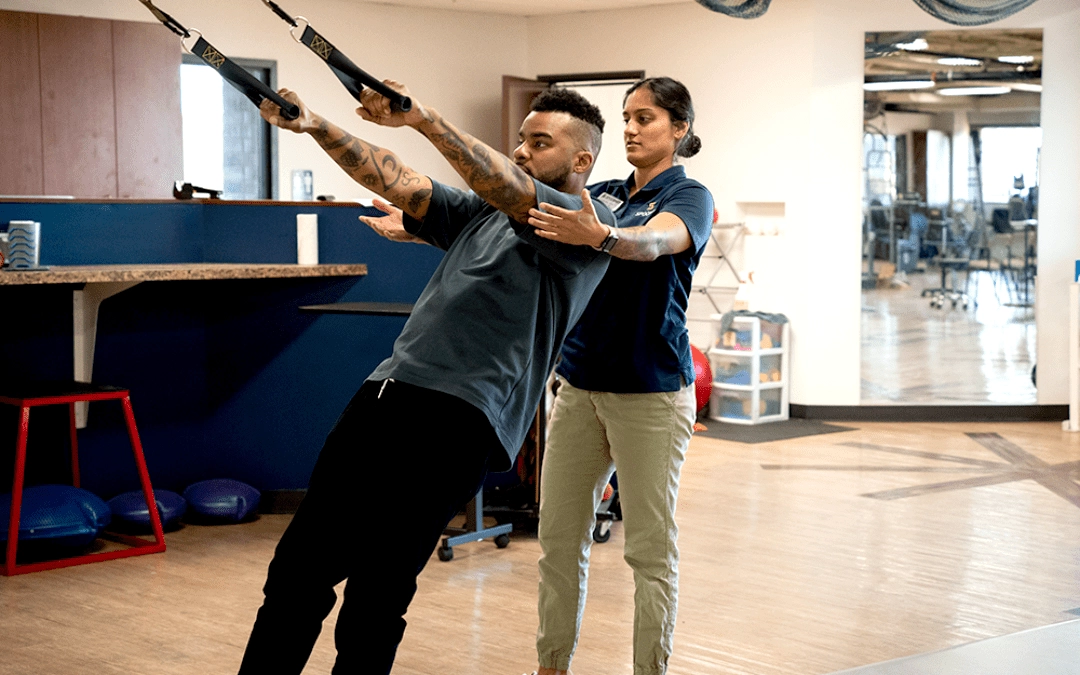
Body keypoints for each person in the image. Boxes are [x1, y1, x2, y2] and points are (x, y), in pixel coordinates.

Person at [238, 83, 615, 675]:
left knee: (376, 592)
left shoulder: (585, 225)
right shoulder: (484, 214)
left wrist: (425, 119)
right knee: (297, 570)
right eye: (520, 139)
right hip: (386, 394)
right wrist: (314, 126)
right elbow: (398, 181)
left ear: (581, 161)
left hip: (460, 417)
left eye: (539, 143)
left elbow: (511, 189)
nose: (520, 151)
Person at [526, 77, 715, 675]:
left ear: (678, 129)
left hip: (652, 395)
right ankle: (550, 666)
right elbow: (518, 204)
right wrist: (428, 222)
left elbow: (657, 242)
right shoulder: (600, 191)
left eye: (646, 118)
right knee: (557, 543)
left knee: (649, 554)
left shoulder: (690, 197)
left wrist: (605, 236)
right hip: (579, 387)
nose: (630, 128)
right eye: (626, 118)